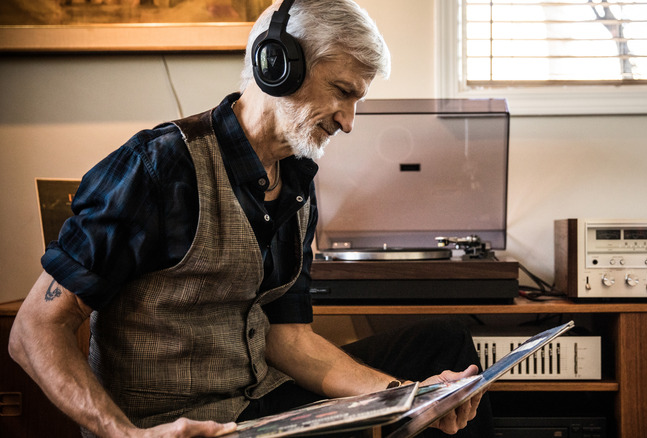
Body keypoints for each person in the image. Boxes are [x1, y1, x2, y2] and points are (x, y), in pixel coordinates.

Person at [8, 0, 493, 437]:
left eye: (356, 101)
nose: (348, 120)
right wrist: (122, 435)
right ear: (278, 64)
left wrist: (406, 395)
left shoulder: (298, 180)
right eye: (342, 92)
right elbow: (34, 329)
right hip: (172, 426)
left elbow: (288, 338)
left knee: (444, 345)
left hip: (260, 408)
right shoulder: (158, 168)